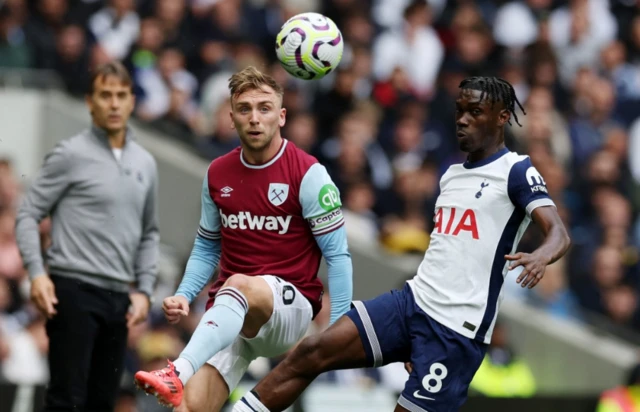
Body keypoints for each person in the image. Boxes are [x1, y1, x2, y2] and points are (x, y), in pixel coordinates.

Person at [231, 76, 572, 412]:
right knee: (311, 352)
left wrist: (541, 256)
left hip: (454, 335)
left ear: (501, 117)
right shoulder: (451, 175)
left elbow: (558, 232)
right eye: (460, 110)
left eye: (476, 112)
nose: (463, 119)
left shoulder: (516, 170)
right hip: (412, 304)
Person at [133, 66, 353, 411]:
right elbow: (207, 245)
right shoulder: (217, 173)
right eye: (245, 109)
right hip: (234, 316)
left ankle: (177, 370)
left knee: (239, 285)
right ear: (231, 116)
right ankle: (182, 383)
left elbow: (338, 256)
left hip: (289, 309)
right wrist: (185, 294)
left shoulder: (310, 175)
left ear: (281, 117)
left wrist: (338, 332)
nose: (254, 118)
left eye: (264, 108)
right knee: (189, 408)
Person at [15, 61, 160, 411]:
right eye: (105, 95)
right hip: (73, 289)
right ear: (89, 101)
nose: (113, 104)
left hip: (119, 298)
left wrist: (144, 290)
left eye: (121, 96)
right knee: (66, 400)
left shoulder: (145, 163)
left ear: (131, 101)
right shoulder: (70, 154)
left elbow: (149, 233)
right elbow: (27, 213)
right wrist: (36, 274)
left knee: (102, 402)